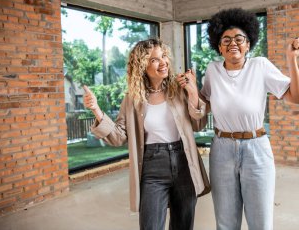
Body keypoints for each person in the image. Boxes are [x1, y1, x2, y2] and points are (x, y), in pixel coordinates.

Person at [83, 38, 209, 230]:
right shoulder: (132, 98)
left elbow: (199, 124)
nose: (163, 62)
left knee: (184, 225)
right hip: (152, 167)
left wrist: (192, 91)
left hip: (184, 163)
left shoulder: (179, 89)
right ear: (142, 66)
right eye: (154, 60)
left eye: (164, 56)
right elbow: (118, 136)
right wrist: (96, 110)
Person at [199, 8, 299, 230]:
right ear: (218, 47)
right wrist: (189, 89)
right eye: (225, 40)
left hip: (256, 148)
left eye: (239, 38)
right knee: (225, 223)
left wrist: (291, 59)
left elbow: (296, 97)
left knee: (261, 223)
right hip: (221, 150)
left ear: (248, 44)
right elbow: (204, 103)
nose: (232, 43)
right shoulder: (212, 70)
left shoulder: (260, 66)